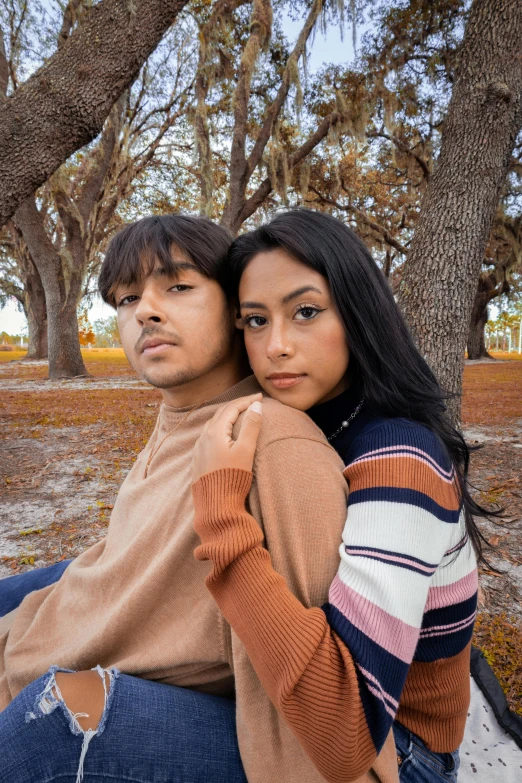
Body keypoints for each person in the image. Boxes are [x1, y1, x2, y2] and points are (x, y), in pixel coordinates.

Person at [0, 215, 398, 783]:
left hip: (88, 699)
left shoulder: (272, 447)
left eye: (178, 286)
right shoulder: (180, 416)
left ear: (237, 309)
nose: (146, 310)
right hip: (54, 633)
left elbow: (317, 699)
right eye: (127, 297)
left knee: (56, 716)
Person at [190, 209, 484, 783]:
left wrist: (222, 517)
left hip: (403, 751)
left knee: (63, 721)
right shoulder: (311, 424)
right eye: (254, 320)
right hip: (303, 684)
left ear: (357, 313)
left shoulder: (399, 458)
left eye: (305, 312)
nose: (274, 346)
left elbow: (349, 733)